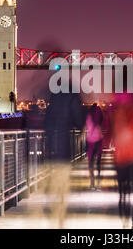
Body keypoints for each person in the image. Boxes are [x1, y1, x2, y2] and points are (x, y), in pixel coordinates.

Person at [42, 87, 85, 228]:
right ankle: (60, 213)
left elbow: (47, 120)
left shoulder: (53, 99)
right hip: (64, 146)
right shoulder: (71, 96)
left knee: (53, 175)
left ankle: (53, 205)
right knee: (62, 179)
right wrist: (81, 128)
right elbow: (77, 118)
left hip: (50, 146)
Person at [85, 103, 104, 190]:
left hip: (90, 142)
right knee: (98, 164)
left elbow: (86, 127)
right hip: (99, 141)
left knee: (91, 164)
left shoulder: (88, 116)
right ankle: (99, 183)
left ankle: (92, 183)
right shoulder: (100, 117)